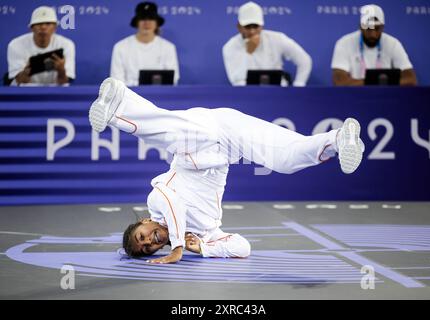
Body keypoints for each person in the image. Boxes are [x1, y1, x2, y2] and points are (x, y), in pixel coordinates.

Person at [88, 77, 364, 264]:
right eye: (147, 248)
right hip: (229, 143)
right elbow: (243, 248)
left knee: (165, 133)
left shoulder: (157, 200)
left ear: (144, 220)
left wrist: (178, 247)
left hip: (198, 138)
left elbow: (174, 206)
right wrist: (204, 247)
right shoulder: (204, 235)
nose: (149, 241)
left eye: (141, 236)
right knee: (286, 160)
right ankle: (338, 140)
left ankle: (117, 103)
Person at [222, 1, 312, 87]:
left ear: (262, 26)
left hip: (278, 91)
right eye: (248, 27)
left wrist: (299, 85)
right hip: (245, 93)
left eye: (255, 26)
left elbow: (305, 61)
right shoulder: (229, 46)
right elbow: (236, 79)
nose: (252, 31)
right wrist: (249, 51)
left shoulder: (278, 38)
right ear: (239, 26)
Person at [331, 4, 417, 86]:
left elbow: (411, 79)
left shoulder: (393, 44)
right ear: (360, 27)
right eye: (368, 28)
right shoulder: (344, 43)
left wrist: (368, 83)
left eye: (377, 28)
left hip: (387, 96)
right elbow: (339, 82)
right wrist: (377, 82)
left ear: (382, 27)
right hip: (355, 96)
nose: (373, 34)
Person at [110, 2, 180, 86]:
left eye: (151, 18)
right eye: (142, 18)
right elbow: (117, 81)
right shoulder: (120, 47)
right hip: (129, 97)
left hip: (160, 96)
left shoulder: (168, 47)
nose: (147, 23)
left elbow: (173, 78)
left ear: (157, 23)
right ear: (136, 22)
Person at [7, 6, 76, 86]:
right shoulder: (16, 45)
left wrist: (61, 70)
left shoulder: (66, 45)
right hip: (25, 92)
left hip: (55, 92)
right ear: (31, 28)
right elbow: (20, 82)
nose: (43, 27)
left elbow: (63, 83)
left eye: (48, 23)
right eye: (39, 24)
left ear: (55, 27)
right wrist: (26, 72)